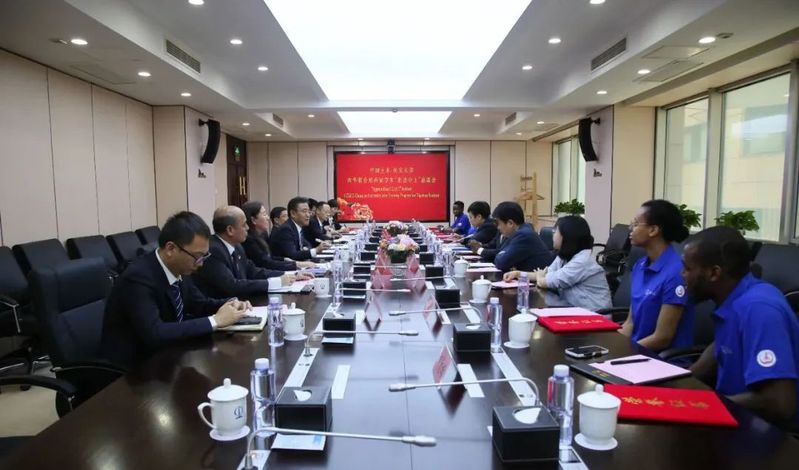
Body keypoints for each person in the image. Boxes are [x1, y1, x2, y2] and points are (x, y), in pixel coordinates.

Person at [101, 211, 250, 368]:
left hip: (169, 355)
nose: (200, 263)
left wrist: (230, 304)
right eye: (197, 256)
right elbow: (155, 332)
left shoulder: (180, 268)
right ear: (171, 248)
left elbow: (199, 303)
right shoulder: (137, 278)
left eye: (204, 256)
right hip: (135, 367)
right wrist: (215, 320)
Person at [683, 226, 798, 426]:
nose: (682, 274)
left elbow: (779, 404)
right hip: (734, 417)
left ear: (714, 273)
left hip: (765, 434)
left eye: (687, 268)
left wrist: (702, 406)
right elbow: (722, 347)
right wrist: (681, 382)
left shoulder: (759, 310)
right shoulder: (736, 297)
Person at [620, 199, 693, 351]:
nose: (630, 228)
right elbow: (630, 324)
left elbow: (662, 338)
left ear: (653, 230)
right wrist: (609, 347)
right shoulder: (640, 265)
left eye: (636, 223)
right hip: (636, 351)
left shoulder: (677, 273)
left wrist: (624, 352)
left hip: (661, 358)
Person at [193, 206, 311, 299]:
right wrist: (276, 282)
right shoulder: (213, 250)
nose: (248, 228)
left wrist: (288, 275)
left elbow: (253, 271)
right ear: (230, 230)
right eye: (244, 224)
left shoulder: (237, 246)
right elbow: (232, 285)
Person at [504, 216, 611, 312]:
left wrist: (540, 277)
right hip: (575, 310)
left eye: (556, 231)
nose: (553, 234)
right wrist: (518, 274)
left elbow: (546, 281)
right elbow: (545, 275)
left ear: (567, 236)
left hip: (595, 316)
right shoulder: (564, 256)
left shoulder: (582, 261)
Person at [240, 201, 315, 271]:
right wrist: (295, 264)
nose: (268, 218)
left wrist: (283, 259)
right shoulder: (248, 239)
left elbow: (269, 257)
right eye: (264, 214)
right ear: (253, 220)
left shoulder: (263, 234)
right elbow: (265, 263)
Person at [491, 201, 553, 272]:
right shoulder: (518, 232)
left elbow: (501, 262)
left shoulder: (524, 235)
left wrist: (501, 254)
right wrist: (501, 254)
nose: (498, 228)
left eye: (498, 224)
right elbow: (500, 253)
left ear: (510, 223)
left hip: (538, 278)